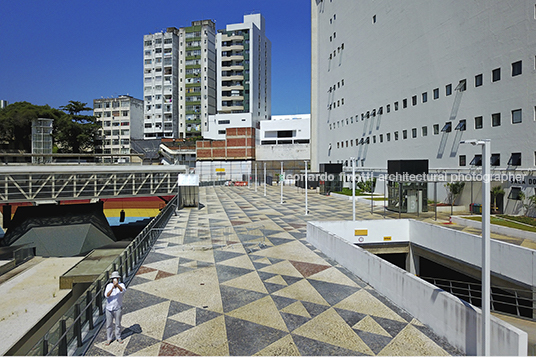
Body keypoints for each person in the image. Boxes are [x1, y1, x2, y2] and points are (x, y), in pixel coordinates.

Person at [104, 271, 126, 345]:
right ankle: (109, 338)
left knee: (118, 323)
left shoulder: (121, 285)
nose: (115, 279)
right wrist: (113, 287)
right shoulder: (109, 286)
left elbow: (122, 291)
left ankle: (118, 337)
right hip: (109, 308)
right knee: (109, 324)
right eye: (113, 278)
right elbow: (107, 295)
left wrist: (117, 286)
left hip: (117, 307)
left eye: (116, 278)